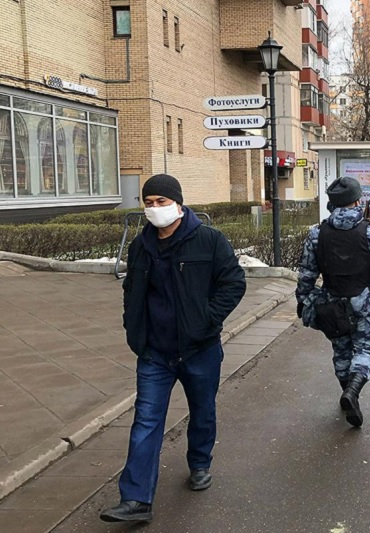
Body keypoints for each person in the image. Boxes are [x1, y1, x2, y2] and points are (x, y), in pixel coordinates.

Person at [100, 174, 246, 523]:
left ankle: (199, 463)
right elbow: (131, 290)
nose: (154, 209)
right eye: (148, 203)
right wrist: (132, 325)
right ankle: (136, 500)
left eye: (161, 202)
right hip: (155, 352)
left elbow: (234, 283)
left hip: (199, 349)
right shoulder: (141, 246)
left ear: (178, 204)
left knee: (202, 411)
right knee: (146, 420)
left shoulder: (209, 240)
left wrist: (206, 321)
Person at [296, 177, 370, 428]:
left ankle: (347, 391)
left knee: (341, 351)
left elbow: (307, 272)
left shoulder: (317, 233)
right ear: (357, 200)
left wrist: (303, 299)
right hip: (364, 301)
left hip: (332, 302)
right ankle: (352, 392)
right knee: (364, 349)